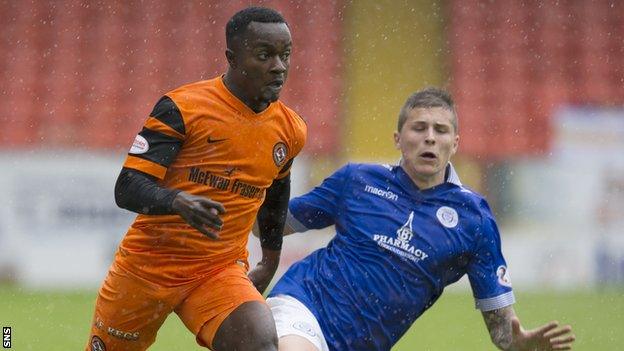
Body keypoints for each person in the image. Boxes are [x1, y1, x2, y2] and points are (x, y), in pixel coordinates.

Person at [262, 88, 575, 351]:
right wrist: (245, 189)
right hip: (303, 302)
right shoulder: (356, 179)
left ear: (455, 143)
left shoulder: (474, 220)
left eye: (440, 130)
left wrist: (516, 342)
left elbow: (501, 327)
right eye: (419, 128)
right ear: (398, 139)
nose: (429, 138)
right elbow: (271, 226)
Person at [85, 7, 306, 351]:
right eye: (264, 55)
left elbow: (276, 190)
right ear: (233, 57)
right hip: (147, 267)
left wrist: (270, 259)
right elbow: (127, 187)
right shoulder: (183, 107)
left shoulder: (290, 129)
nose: (279, 67)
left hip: (218, 270)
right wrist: (177, 202)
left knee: (260, 343)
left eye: (285, 55)